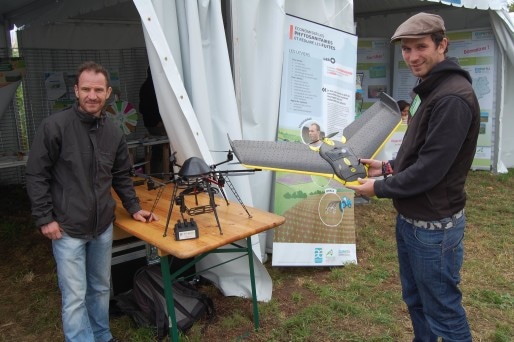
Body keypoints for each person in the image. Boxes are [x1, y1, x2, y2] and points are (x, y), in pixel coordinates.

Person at [347, 13, 480, 341]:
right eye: (406, 49)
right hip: (412, 221)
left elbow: (429, 171)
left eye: (421, 47)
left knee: (443, 312)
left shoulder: (451, 97)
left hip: (434, 229)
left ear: (442, 44)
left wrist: (378, 187)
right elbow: (418, 152)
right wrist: (387, 168)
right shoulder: (429, 89)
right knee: (417, 302)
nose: (412, 56)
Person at [26, 61, 159, 342]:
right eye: (86, 89)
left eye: (98, 90)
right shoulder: (55, 127)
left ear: (108, 92)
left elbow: (122, 174)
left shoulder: (113, 132)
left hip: (102, 227)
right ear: (76, 90)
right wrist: (44, 218)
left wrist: (134, 208)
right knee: (74, 296)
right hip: (67, 227)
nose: (92, 95)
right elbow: (36, 175)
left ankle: (102, 334)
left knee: (99, 287)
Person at [139, 66, 167, 174]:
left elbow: (142, 108)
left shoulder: (144, 86)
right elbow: (155, 107)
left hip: (149, 124)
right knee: (162, 150)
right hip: (157, 124)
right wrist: (158, 121)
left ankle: (155, 174)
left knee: (157, 150)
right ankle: (160, 175)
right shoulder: (154, 87)